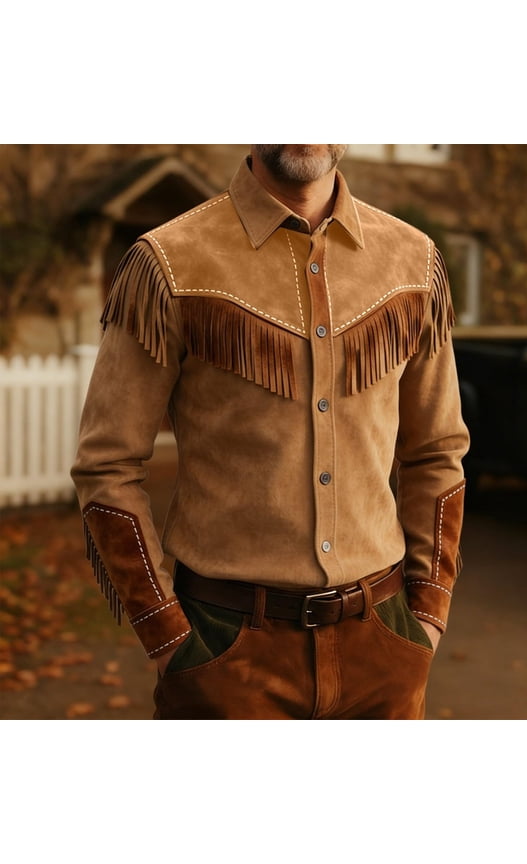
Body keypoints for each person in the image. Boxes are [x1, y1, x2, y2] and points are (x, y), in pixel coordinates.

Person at [71, 144, 469, 720]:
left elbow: (437, 451)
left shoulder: (412, 262)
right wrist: (168, 638)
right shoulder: (169, 263)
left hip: (384, 648)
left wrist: (426, 616)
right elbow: (106, 465)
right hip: (225, 652)